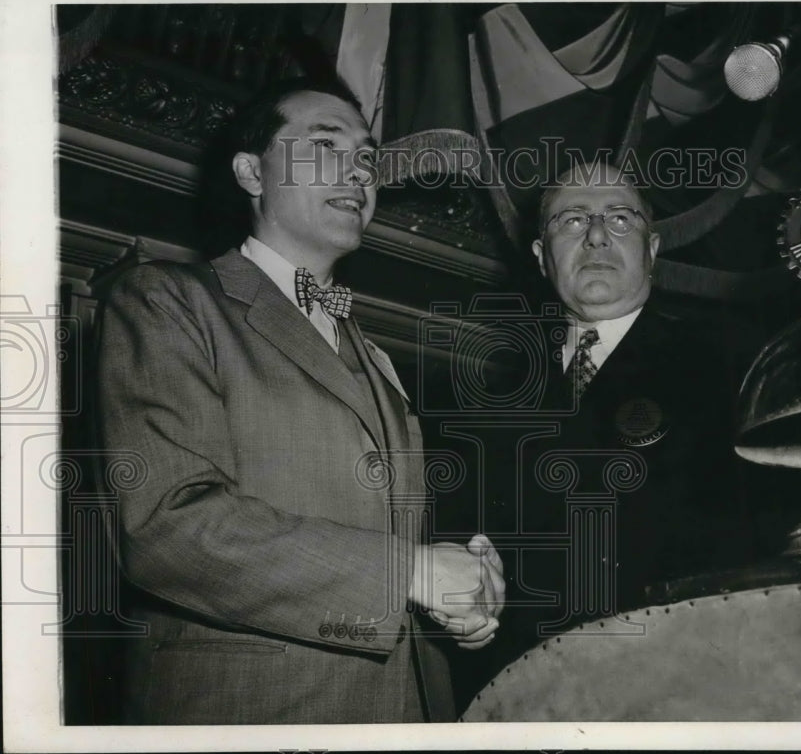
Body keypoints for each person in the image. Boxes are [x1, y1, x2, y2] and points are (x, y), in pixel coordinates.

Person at [97, 76, 503, 725]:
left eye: (366, 157)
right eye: (325, 145)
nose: (357, 171)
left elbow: (387, 544)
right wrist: (409, 575)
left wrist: (460, 599)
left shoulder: (372, 354)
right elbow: (164, 524)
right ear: (252, 173)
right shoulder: (168, 301)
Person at [453, 162, 757, 709]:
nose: (596, 234)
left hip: (682, 693)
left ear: (653, 247)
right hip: (526, 699)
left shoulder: (730, 364)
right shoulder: (490, 395)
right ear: (542, 257)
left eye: (620, 218)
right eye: (571, 220)